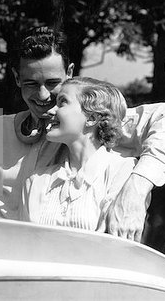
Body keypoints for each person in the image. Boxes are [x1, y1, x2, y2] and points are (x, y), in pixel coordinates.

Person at [0, 27, 165, 242]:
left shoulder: (95, 120)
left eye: (52, 84)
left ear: (69, 73)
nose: (43, 96)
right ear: (16, 78)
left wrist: (135, 190)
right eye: (30, 84)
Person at [20, 77, 137, 233]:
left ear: (91, 118)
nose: (50, 111)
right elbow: (23, 243)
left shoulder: (123, 171)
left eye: (62, 103)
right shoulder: (37, 180)